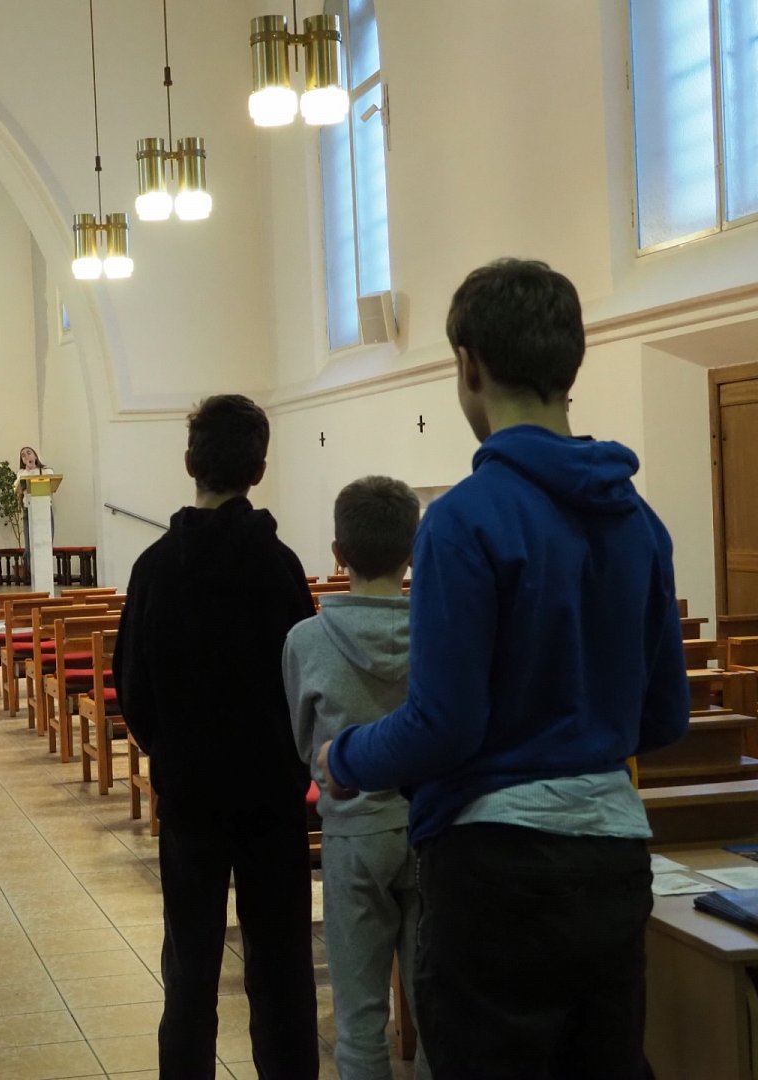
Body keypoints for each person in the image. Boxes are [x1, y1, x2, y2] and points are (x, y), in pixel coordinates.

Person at [319, 259, 689, 1079]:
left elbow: (444, 725)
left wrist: (345, 759)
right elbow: (666, 716)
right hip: (614, 858)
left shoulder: (463, 520)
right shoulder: (639, 520)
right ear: (570, 365)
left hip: (497, 870)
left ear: (469, 365)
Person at [114, 394, 319, 1080]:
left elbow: (132, 689)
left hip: (192, 795)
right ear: (258, 470)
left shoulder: (153, 568)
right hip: (272, 795)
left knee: (190, 968)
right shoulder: (279, 566)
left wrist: (172, 752)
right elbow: (305, 682)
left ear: (188, 462)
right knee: (282, 966)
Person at [283, 476, 430, 1080]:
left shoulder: (306, 640)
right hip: (429, 829)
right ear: (412, 551)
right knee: (440, 1017)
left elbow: (305, 746)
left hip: (353, 833)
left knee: (360, 1018)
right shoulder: (440, 631)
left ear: (338, 552)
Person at [17, 446, 54, 579]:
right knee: (30, 546)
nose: (27, 456)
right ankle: (33, 574)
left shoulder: (47, 471)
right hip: (29, 510)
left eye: (29, 453)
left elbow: (51, 483)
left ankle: (45, 575)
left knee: (46, 544)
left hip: (44, 510)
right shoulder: (22, 473)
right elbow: (19, 486)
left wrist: (35, 469)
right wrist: (29, 469)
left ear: (35, 455)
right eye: (23, 455)